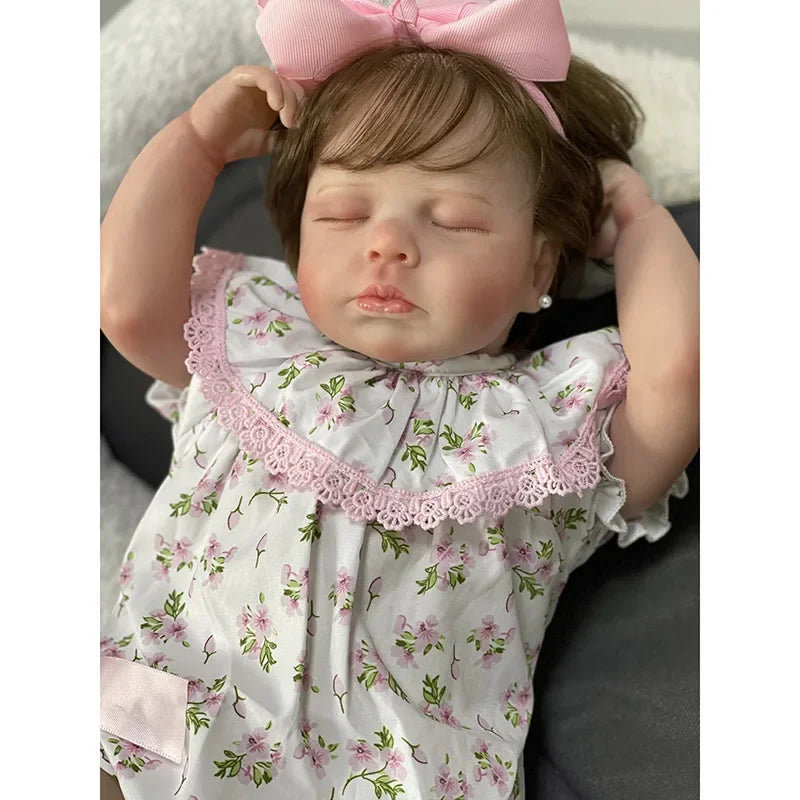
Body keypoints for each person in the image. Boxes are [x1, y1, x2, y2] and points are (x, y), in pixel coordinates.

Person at [99, 1, 699, 798]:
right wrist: (197, 142)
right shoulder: (250, 335)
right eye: (344, 213)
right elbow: (124, 305)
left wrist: (637, 217)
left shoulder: (548, 430)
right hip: (160, 708)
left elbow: (680, 373)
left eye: (453, 220)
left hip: (387, 773)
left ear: (539, 266)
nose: (387, 244)